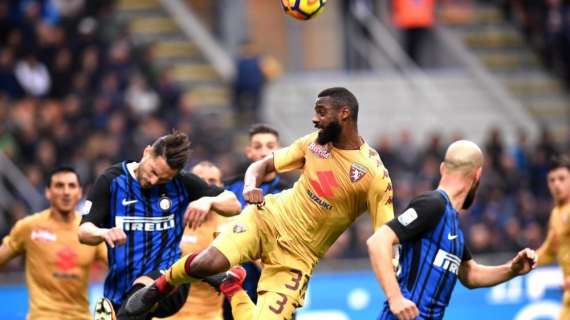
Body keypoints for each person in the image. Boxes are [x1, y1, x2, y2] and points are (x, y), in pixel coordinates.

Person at [124, 87, 395, 320]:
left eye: (322, 112)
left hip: (297, 257)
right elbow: (262, 165)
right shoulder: (312, 144)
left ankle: (231, 287)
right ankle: (160, 286)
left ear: (344, 114)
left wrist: (395, 282)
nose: (315, 119)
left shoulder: (373, 175)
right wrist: (251, 186)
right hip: (267, 218)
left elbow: (385, 236)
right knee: (206, 264)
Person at [78, 130, 241, 320]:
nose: (154, 181)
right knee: (130, 308)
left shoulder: (182, 183)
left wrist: (208, 202)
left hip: (168, 280)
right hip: (120, 288)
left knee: (143, 294)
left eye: (164, 179)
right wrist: (103, 233)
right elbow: (83, 231)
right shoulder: (111, 181)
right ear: (147, 152)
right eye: (154, 172)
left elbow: (234, 204)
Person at [367, 140, 537, 320]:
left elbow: (470, 274)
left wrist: (512, 269)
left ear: (442, 168)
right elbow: (378, 241)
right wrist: (395, 299)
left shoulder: (453, 225)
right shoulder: (433, 204)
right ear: (477, 175)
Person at [0, 166, 107, 319]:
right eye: (59, 186)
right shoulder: (29, 227)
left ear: (80, 193)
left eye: (71, 186)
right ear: (48, 192)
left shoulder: (89, 231)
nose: (66, 192)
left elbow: (118, 267)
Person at [224, 123, 289, 319]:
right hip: (233, 291)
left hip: (277, 292)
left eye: (270, 146)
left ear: (280, 150)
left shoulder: (293, 193)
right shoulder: (228, 190)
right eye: (258, 146)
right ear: (249, 152)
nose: (264, 152)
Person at [166, 161, 233, 320]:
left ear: (221, 186)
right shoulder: (171, 219)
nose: (205, 186)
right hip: (168, 315)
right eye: (200, 180)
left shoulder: (232, 223)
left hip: (210, 315)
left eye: (212, 181)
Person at [536, 155, 570, 319]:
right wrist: (524, 261)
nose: (557, 184)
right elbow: (550, 250)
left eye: (562, 178)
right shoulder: (556, 213)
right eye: (552, 180)